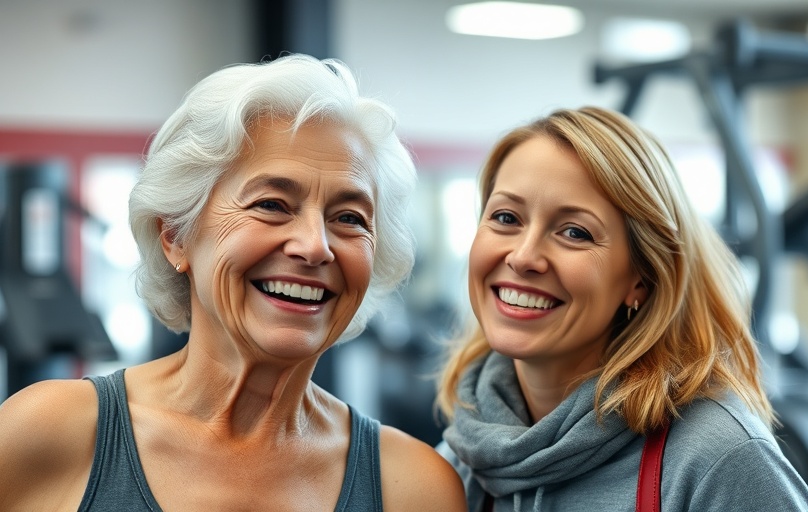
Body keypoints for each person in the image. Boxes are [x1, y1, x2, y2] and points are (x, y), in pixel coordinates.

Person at [0, 54, 465, 511]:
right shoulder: (47, 435)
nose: (315, 246)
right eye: (272, 204)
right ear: (176, 235)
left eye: (349, 217)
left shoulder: (413, 488)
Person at [436, 106, 808, 511]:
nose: (523, 256)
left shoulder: (719, 461)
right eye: (506, 217)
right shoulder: (462, 459)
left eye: (574, 232)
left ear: (641, 277)